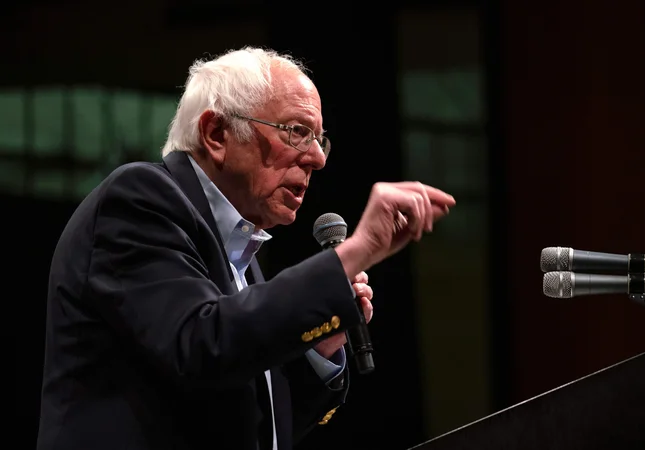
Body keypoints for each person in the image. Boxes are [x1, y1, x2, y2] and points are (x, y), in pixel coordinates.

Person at [36, 47, 455, 450]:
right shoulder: (138, 201)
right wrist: (353, 252)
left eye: (319, 138)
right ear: (216, 134)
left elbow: (256, 426)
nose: (317, 158)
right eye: (297, 131)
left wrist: (320, 347)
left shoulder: (238, 254)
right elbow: (203, 346)